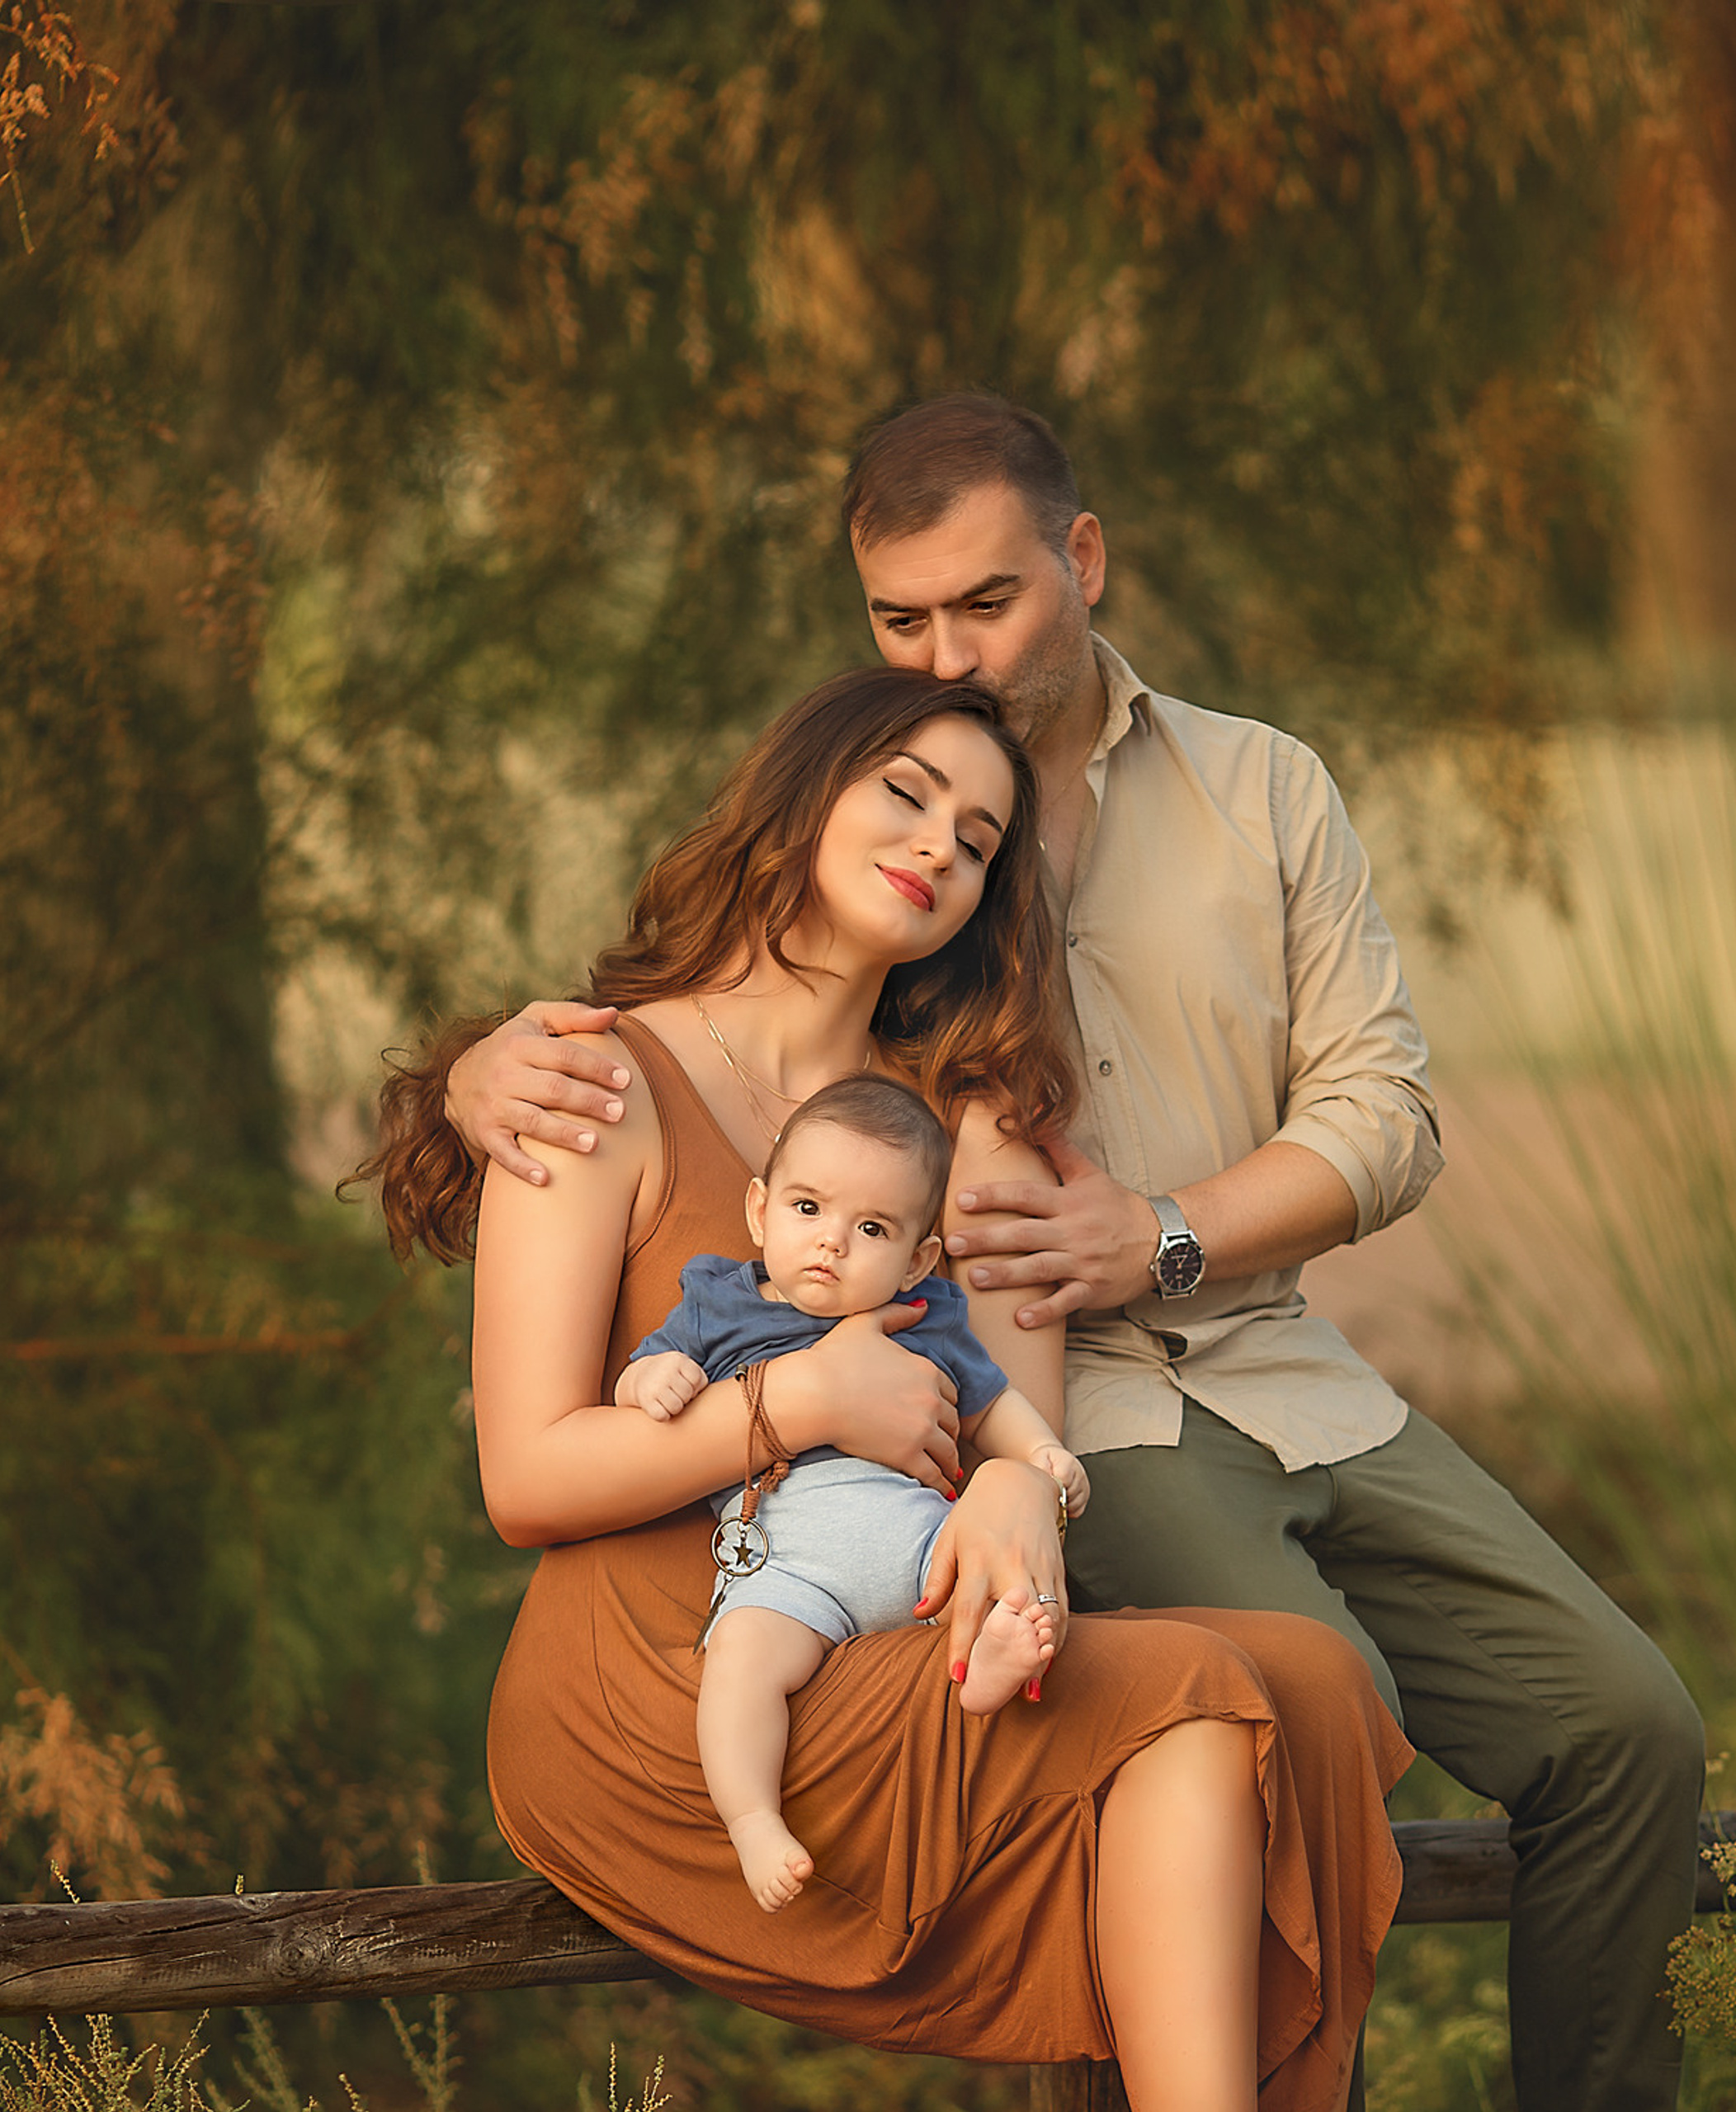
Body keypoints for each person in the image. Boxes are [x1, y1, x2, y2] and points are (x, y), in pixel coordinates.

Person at [445, 394, 1706, 2112]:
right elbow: (632, 1176)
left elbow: (1377, 1113)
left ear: (1081, 559)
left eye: (987, 605)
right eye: (903, 627)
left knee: (1619, 1724)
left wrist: (1136, 1265)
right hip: (968, 1482)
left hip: (1251, 1363)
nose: (948, 661)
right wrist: (473, 1081)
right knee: (1265, 1713)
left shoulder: (1219, 816)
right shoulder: (738, 1051)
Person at [365, 664, 1411, 2112]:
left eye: (980, 840)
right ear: (802, 798)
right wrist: (798, 1406)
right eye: (907, 796)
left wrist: (1003, 1486)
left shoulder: (957, 1122)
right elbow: (525, 1479)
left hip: (885, 1630)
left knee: (1317, 1683)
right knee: (1198, 1696)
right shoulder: (595, 1083)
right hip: (678, 1693)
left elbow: (1011, 1423)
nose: (940, 846)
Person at [617, 1073, 1090, 1910]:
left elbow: (988, 1404)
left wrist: (1042, 1452)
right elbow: (644, 1373)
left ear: (916, 1257)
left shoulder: (927, 1315)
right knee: (739, 1666)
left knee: (991, 1573)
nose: (830, 1242)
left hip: (913, 1535)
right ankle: (753, 1817)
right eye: (808, 1209)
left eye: (869, 1227)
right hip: (787, 1563)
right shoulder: (719, 1303)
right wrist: (654, 1377)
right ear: (760, 1211)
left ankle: (988, 1662)